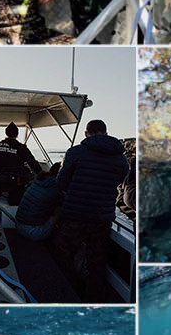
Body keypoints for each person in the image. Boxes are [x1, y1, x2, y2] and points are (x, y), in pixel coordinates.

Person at [53, 119, 129, 302]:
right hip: (101, 218)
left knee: (63, 254)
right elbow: (120, 180)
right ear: (105, 132)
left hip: (74, 215)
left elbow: (61, 182)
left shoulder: (75, 152)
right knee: (96, 262)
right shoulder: (121, 157)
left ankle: (66, 296)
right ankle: (93, 299)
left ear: (86, 133)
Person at [0, 122, 42, 205]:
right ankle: (15, 208)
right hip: (14, 183)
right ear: (17, 134)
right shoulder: (21, 147)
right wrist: (40, 172)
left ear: (6, 133)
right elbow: (32, 162)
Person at [14, 163, 62, 241]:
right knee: (60, 210)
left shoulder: (39, 182)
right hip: (33, 232)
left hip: (18, 225)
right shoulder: (55, 188)